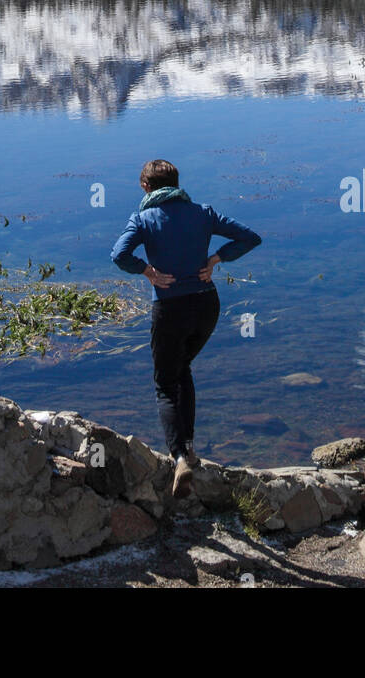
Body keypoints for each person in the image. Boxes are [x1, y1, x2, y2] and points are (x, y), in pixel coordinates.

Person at [110, 159, 261, 497]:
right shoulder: (202, 212)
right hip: (207, 305)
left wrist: (147, 270)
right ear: (176, 184)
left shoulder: (143, 218)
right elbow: (250, 238)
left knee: (166, 382)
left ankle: (179, 456)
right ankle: (190, 449)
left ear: (147, 188)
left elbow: (119, 255)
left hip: (170, 309)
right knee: (182, 370)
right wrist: (215, 259)